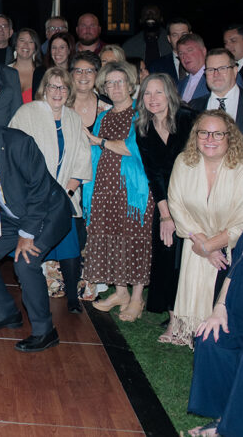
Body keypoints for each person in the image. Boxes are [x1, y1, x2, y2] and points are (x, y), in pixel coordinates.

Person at [0, 108, 71, 352]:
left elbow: (39, 191)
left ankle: (45, 331)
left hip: (48, 212)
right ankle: (6, 312)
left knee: (25, 261)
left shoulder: (19, 143)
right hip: (9, 217)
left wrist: (26, 235)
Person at [185, 154, 243, 437]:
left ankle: (233, 430)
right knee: (210, 336)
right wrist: (220, 307)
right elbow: (238, 264)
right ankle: (224, 416)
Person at [164, 111, 243, 347]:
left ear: (230, 137)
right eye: (203, 133)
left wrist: (209, 246)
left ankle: (212, 331)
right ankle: (185, 326)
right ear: (195, 136)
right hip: (193, 241)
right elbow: (175, 204)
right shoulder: (184, 162)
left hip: (230, 249)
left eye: (218, 134)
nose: (210, 139)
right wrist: (202, 243)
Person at [10, 67, 92, 313]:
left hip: (63, 194)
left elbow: (81, 158)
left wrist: (64, 195)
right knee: (31, 246)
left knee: (69, 242)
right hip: (32, 195)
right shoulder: (27, 113)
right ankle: (31, 294)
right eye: (53, 86)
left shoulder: (73, 118)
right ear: (44, 89)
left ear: (69, 92)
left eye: (63, 87)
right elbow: (14, 153)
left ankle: (72, 298)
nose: (58, 92)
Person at [83, 61, 155, 322]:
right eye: (110, 82)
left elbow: (131, 149)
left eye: (120, 81)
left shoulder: (140, 113)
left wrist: (98, 140)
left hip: (132, 191)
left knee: (135, 239)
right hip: (104, 188)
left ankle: (137, 298)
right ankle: (121, 292)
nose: (114, 87)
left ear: (130, 85)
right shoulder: (104, 116)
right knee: (112, 239)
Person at [135, 73, 196, 316]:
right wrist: (165, 215)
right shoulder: (144, 128)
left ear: (169, 93)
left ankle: (184, 312)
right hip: (166, 198)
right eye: (147, 93)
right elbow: (154, 173)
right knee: (165, 247)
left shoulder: (188, 119)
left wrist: (179, 210)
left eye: (158, 91)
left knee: (186, 256)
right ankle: (171, 311)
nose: (153, 98)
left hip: (193, 195)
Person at [191, 48, 243, 146]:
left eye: (222, 68)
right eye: (210, 70)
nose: (216, 74)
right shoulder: (194, 107)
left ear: (235, 70)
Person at [71, 51, 110, 130]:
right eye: (78, 71)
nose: (83, 76)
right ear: (71, 74)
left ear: (97, 74)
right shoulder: (60, 104)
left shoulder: (107, 106)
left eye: (89, 71)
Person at [148, 18, 192, 82]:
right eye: (175, 35)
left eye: (184, 34)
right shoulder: (157, 67)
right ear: (169, 38)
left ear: (191, 35)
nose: (180, 39)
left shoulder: (201, 62)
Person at [10, 28, 43, 102]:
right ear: (15, 45)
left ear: (35, 48)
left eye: (31, 42)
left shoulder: (43, 74)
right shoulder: (3, 72)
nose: (26, 45)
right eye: (22, 40)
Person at [178, 33, 211, 104]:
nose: (184, 57)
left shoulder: (215, 77)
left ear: (203, 51)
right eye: (181, 53)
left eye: (189, 50)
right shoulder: (180, 85)